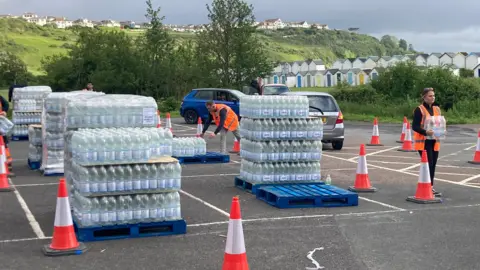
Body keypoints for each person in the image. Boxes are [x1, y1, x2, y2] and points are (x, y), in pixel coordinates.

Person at [412, 87, 443, 197]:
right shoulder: (419, 110)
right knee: (428, 164)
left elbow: (439, 123)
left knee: (433, 164)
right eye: (430, 96)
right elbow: (415, 126)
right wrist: (425, 132)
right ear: (424, 97)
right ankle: (426, 187)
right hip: (424, 141)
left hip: (435, 140)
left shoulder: (437, 109)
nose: (432, 97)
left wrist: (441, 129)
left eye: (433, 95)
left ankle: (430, 187)